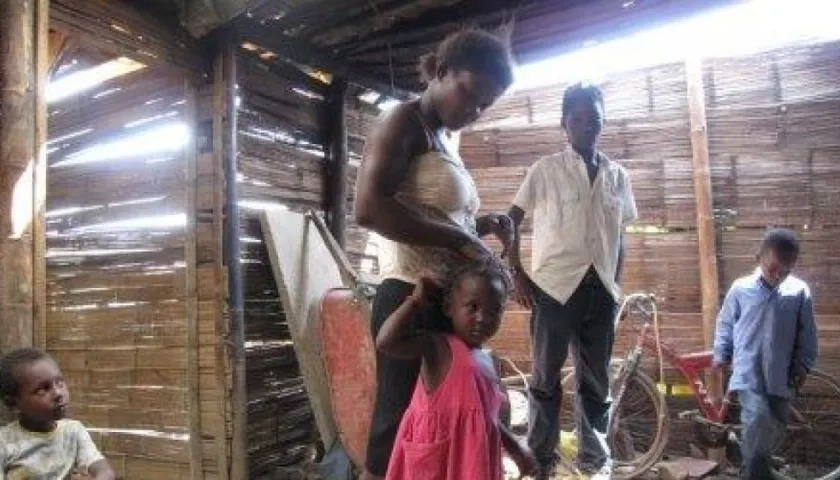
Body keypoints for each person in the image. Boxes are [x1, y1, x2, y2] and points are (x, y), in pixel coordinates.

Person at [354, 28, 517, 479]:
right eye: (469, 93)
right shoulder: (402, 122)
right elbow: (369, 208)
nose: (473, 110)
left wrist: (479, 227)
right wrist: (460, 240)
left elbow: (430, 215)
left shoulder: (442, 137)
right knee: (397, 429)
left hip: (446, 303)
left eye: (484, 105)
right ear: (442, 72)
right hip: (411, 298)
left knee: (436, 427)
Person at [507, 82, 638, 478]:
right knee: (545, 381)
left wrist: (615, 284)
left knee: (596, 384)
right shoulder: (545, 170)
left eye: (594, 118)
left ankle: (595, 464)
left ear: (603, 121)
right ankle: (541, 464)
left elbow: (621, 234)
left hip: (601, 292)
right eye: (577, 119)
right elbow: (511, 220)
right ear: (563, 124)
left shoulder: (617, 176)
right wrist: (518, 274)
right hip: (553, 290)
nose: (587, 126)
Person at [376, 262, 537, 479]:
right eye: (473, 307)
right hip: (436, 460)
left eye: (494, 310)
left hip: (471, 460)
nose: (483, 317)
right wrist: (414, 302)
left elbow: (489, 418)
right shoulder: (438, 347)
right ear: (449, 308)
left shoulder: (490, 360)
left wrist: (516, 449)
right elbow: (386, 342)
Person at [711, 228, 818, 480]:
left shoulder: (799, 292)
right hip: (748, 374)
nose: (779, 275)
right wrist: (722, 352)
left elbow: (807, 334)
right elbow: (725, 323)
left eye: (786, 271)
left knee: (775, 426)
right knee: (757, 418)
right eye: (773, 269)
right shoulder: (741, 289)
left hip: (782, 376)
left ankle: (750, 464)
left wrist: (803, 365)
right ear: (758, 258)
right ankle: (755, 471)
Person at [0, 347, 116, 479]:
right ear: (13, 404)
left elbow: (105, 472)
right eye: (43, 390)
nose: (58, 393)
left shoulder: (73, 432)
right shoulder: (4, 443)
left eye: (60, 382)